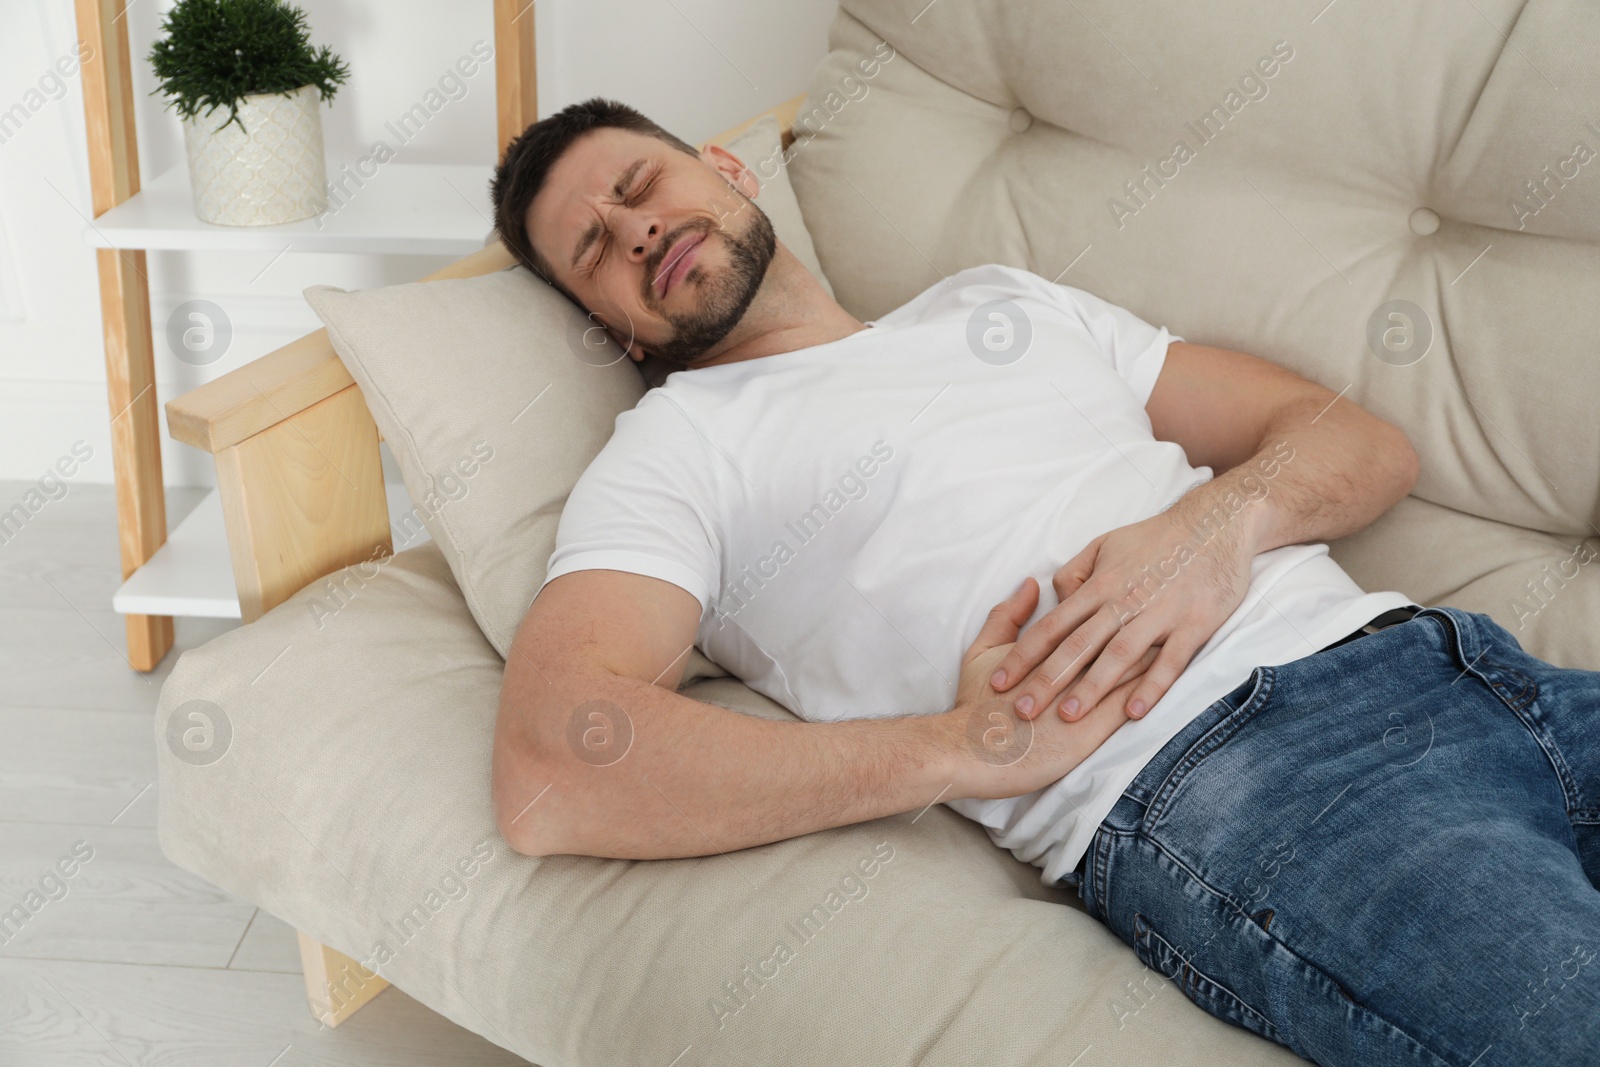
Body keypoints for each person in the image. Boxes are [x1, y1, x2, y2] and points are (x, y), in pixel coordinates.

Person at [486, 97, 1600, 1066]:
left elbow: (1358, 442)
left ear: (726, 170)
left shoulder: (996, 304)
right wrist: (961, 746)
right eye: (595, 251)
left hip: (1467, 666)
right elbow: (552, 759)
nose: (635, 230)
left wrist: (1213, 525)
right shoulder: (673, 451)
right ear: (614, 331)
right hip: (1250, 779)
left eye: (638, 186)